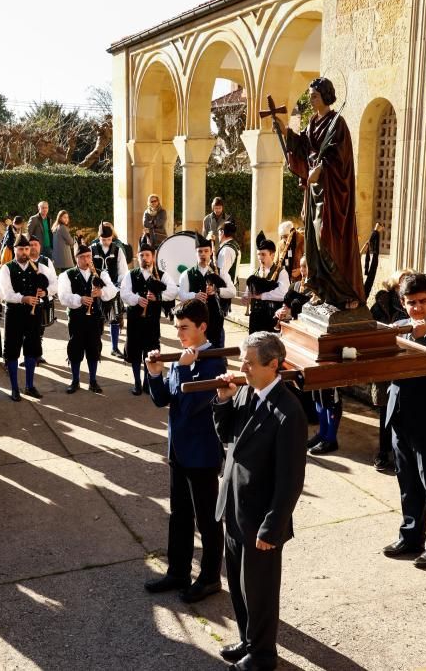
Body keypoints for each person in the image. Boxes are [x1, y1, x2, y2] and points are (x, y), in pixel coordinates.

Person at [213, 332, 307, 670]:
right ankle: (247, 639)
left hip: (261, 518)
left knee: (260, 591)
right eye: (242, 360)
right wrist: (224, 400)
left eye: (249, 363)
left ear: (273, 364)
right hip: (234, 507)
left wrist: (273, 526)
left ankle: (263, 654)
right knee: (239, 586)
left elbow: (291, 478)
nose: (242, 368)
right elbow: (228, 438)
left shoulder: (288, 411)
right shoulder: (246, 394)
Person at [144, 300, 225, 604]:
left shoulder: (214, 360)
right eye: (176, 327)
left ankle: (210, 577)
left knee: (207, 518)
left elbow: (191, 405)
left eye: (185, 328)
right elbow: (163, 398)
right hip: (178, 449)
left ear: (202, 327)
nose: (179, 334)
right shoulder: (183, 358)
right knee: (179, 514)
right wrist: (155, 373)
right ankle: (178, 570)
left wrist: (182, 368)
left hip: (202, 452)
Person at [280, 77, 364, 309]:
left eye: (314, 95)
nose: (310, 98)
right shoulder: (312, 122)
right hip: (313, 191)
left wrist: (323, 168)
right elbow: (303, 150)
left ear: (325, 96)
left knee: (325, 237)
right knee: (312, 242)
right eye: (310, 95)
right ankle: (322, 289)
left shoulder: (337, 123)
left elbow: (342, 158)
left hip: (332, 194)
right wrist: (285, 133)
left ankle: (346, 293)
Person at [382, 273, 426, 569]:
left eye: (423, 302)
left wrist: (421, 337)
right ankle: (410, 535)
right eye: (411, 303)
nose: (417, 308)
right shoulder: (399, 327)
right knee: (407, 480)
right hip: (400, 413)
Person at [57, 244, 117, 394]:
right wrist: (80, 299)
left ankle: (93, 380)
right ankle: (75, 380)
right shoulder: (67, 275)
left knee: (94, 348)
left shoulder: (100, 273)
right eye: (82, 257)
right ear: (76, 258)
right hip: (76, 318)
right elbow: (63, 296)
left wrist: (101, 292)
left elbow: (113, 290)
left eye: (88, 256)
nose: (86, 260)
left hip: (95, 318)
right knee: (75, 348)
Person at [369, 268, 412, 471]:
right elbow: (371, 328)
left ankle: (401, 453)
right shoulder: (381, 304)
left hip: (405, 363)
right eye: (401, 283)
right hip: (385, 363)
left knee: (405, 412)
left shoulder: (412, 303)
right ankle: (383, 452)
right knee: (386, 410)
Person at [0, 234, 51, 401]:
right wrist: (23, 298)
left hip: (33, 315)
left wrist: (45, 292)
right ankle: (15, 388)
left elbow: (54, 284)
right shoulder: (7, 268)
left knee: (32, 349)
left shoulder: (39, 267)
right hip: (14, 314)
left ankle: (29, 386)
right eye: (20, 249)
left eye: (27, 248)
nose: (24, 252)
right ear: (14, 250)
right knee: (12, 351)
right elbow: (6, 294)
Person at [121, 242, 177, 394]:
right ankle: (137, 383)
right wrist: (137, 299)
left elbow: (173, 291)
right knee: (134, 352)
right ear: (137, 257)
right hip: (135, 320)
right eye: (141, 255)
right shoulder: (131, 274)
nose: (144, 258)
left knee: (150, 351)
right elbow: (124, 293)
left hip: (152, 321)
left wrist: (158, 297)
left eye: (147, 255)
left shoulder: (161, 275)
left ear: (153, 257)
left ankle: (147, 383)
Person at [178, 232, 236, 348]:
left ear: (210, 252)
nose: (203, 254)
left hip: (215, 320)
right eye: (200, 251)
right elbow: (182, 295)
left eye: (206, 251)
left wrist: (217, 291)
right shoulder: (187, 274)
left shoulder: (220, 272)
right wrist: (194, 296)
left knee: (216, 353)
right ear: (195, 253)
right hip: (194, 322)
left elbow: (232, 291)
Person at [91, 222, 129, 358]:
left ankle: (114, 347)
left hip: (113, 288)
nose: (106, 242)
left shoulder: (118, 250)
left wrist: (118, 287)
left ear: (112, 237)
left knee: (114, 318)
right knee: (97, 319)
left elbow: (123, 270)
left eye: (108, 239)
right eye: (103, 239)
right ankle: (96, 348)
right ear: (99, 237)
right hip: (96, 289)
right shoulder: (92, 249)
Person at [244, 237, 289, 334]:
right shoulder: (255, 273)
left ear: (272, 255)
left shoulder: (281, 272)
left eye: (263, 254)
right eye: (258, 254)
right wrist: (245, 296)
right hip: (255, 319)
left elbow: (283, 294)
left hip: (271, 317)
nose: (260, 258)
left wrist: (262, 296)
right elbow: (248, 291)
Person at [29, 235, 57, 364]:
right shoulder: (22, 261)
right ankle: (29, 357)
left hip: (42, 301)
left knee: (40, 330)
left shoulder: (46, 261)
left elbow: (54, 283)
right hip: (27, 302)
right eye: (31, 245)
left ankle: (38, 355)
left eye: (36, 244)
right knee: (28, 331)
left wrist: (45, 292)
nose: (33, 247)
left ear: (40, 247)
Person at [217, 220, 240, 315]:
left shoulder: (227, 249)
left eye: (218, 232)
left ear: (222, 232)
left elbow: (222, 272)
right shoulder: (233, 245)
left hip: (223, 290)